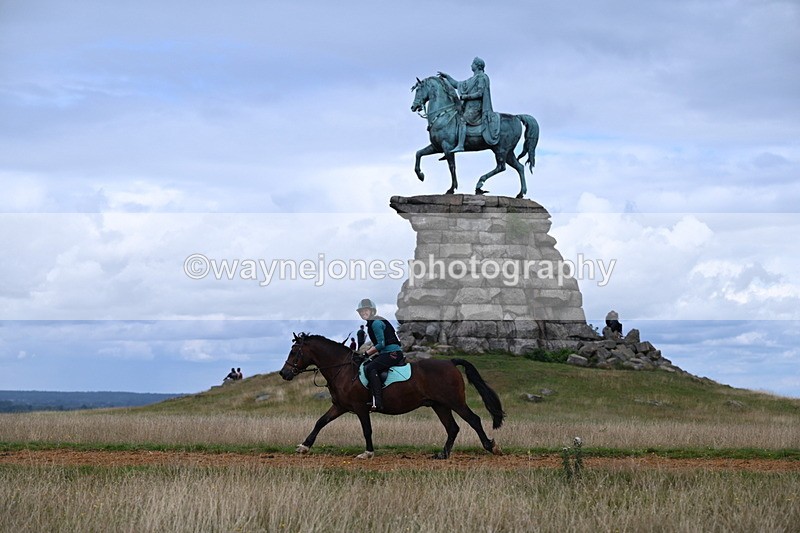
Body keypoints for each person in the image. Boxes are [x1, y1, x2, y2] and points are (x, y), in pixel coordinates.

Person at [437, 57, 500, 156]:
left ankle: (460, 145)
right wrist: (447, 77)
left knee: (462, 120)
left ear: (477, 65)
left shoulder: (482, 77)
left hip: (476, 108)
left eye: (473, 63)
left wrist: (466, 96)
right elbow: (457, 84)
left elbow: (480, 93)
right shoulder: (472, 79)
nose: (471, 65)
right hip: (468, 107)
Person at [356, 298, 404, 412]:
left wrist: (366, 353)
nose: (363, 313)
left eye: (366, 310)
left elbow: (381, 344)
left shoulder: (376, 323)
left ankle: (378, 402)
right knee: (367, 364)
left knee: (371, 368)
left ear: (372, 311)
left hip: (392, 353)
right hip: (387, 353)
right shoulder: (372, 323)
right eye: (361, 311)